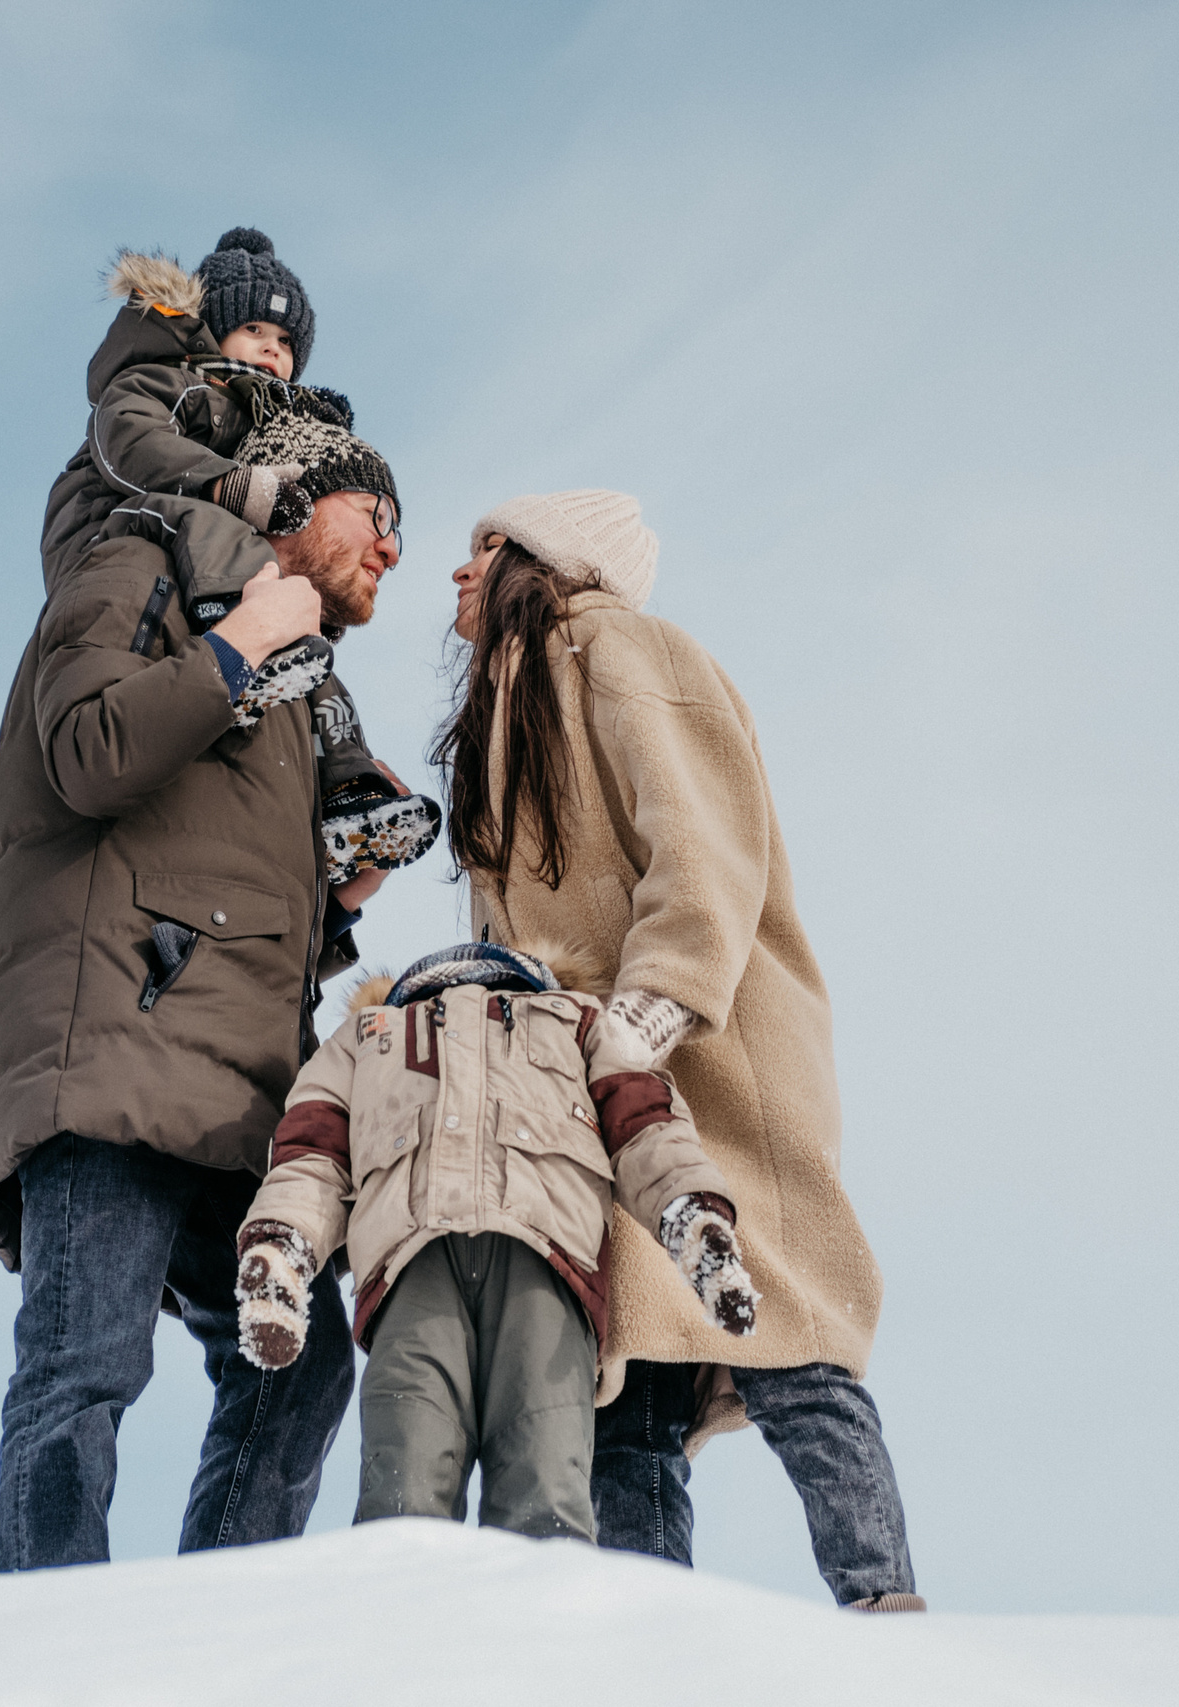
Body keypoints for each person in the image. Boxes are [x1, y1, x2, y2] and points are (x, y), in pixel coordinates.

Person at [435, 490, 924, 1610]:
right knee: (631, 1364)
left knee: (786, 1313)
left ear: (545, 561)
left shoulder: (620, 652)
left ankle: (885, 1607)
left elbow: (703, 838)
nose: (459, 572)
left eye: (486, 546)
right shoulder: (508, 702)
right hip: (585, 1077)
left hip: (705, 1057)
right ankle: (655, 1634)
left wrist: (660, 1002)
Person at [0, 386, 412, 1572]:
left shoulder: (299, 702)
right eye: (375, 510)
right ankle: (45, 1648)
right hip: (114, 1039)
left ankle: (211, 1629)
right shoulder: (136, 561)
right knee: (85, 1362)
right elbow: (85, 748)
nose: (393, 548)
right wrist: (237, 644)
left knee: (300, 1366)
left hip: (231, 1087)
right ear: (296, 500)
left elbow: (230, 889)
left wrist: (337, 903)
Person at [225, 939, 759, 1541]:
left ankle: (536, 1628)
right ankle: (404, 1619)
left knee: (545, 1485)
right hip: (412, 1270)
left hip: (546, 1267)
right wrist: (284, 1243)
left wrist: (690, 1212)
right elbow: (312, 1154)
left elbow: (645, 1125)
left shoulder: (576, 1021)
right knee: (403, 1488)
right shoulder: (367, 1037)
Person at [39, 226, 436, 884]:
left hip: (203, 550)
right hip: (120, 519)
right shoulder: (177, 386)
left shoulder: (255, 427)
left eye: (285, 344)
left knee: (301, 637)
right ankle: (241, 630)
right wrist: (227, 484)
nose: (273, 353)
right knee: (235, 543)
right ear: (210, 329)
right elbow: (128, 440)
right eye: (256, 331)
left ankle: (348, 789)